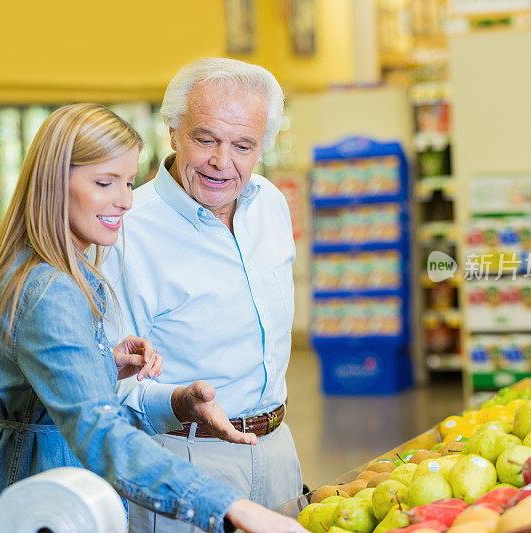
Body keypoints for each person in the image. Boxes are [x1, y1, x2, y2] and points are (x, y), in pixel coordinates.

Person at [0, 103, 305, 533]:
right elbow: (98, 430)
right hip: (19, 507)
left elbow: (19, 385)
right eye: (104, 182)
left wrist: (101, 362)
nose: (125, 202)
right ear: (52, 183)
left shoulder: (18, 261)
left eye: (128, 182)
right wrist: (231, 506)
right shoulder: (50, 287)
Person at [102, 58, 301, 533]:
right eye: (205, 139)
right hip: (183, 460)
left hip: (277, 449)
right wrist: (178, 402)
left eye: (243, 146)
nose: (222, 162)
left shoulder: (269, 203)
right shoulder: (127, 229)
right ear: (173, 132)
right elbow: (101, 378)